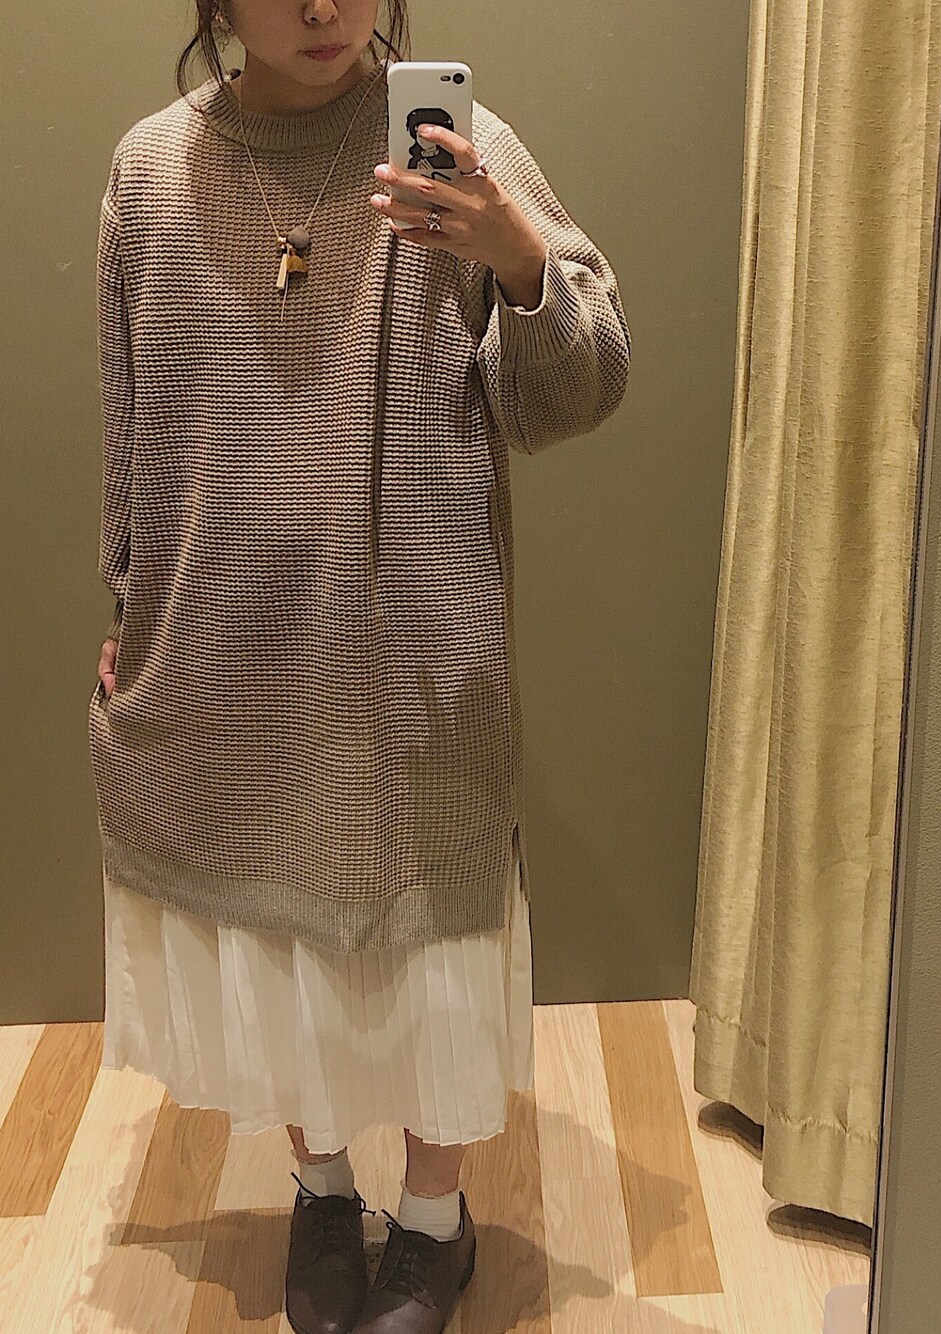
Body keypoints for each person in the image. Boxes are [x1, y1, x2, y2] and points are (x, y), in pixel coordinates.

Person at [89, 2, 630, 1331]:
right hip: (225, 644)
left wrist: (518, 262)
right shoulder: (151, 172)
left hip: (414, 645)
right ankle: (322, 1189)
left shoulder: (456, 147)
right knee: (272, 929)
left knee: (432, 942)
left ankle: (436, 1221)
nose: (325, 6)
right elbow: (133, 415)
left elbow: (580, 389)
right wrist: (127, 597)